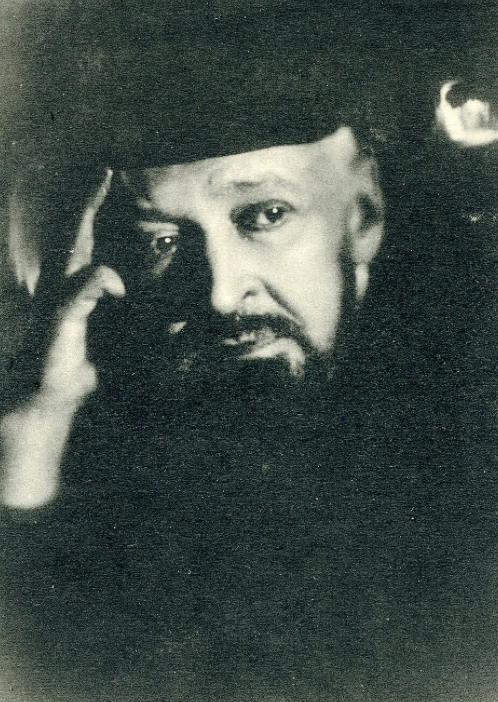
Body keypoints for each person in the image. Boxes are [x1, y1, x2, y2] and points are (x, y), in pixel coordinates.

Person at [0, 3, 496, 701]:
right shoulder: (112, 433)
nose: (219, 294)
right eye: (162, 241)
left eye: (265, 215)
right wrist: (36, 427)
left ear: (363, 216)